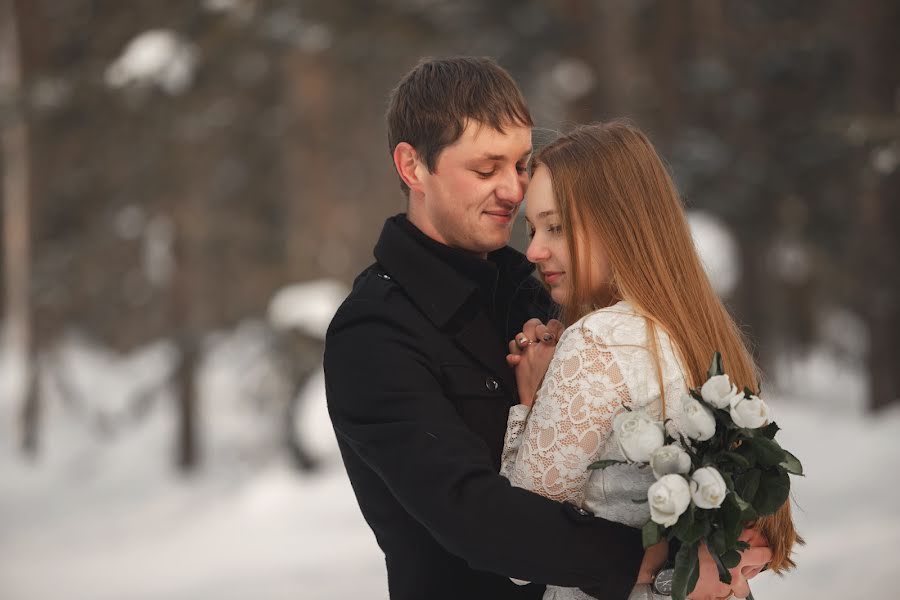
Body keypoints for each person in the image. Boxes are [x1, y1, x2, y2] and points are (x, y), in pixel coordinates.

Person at [325, 58, 665, 600]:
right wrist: (652, 563)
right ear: (413, 167)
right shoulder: (373, 331)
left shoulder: (539, 290)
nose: (513, 190)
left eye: (522, 165)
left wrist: (714, 525)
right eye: (486, 170)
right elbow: (472, 516)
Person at [500, 121, 801, 600]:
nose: (534, 250)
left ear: (618, 222)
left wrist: (530, 404)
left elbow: (518, 546)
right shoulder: (697, 332)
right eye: (532, 228)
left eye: (555, 226)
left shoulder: (598, 339)